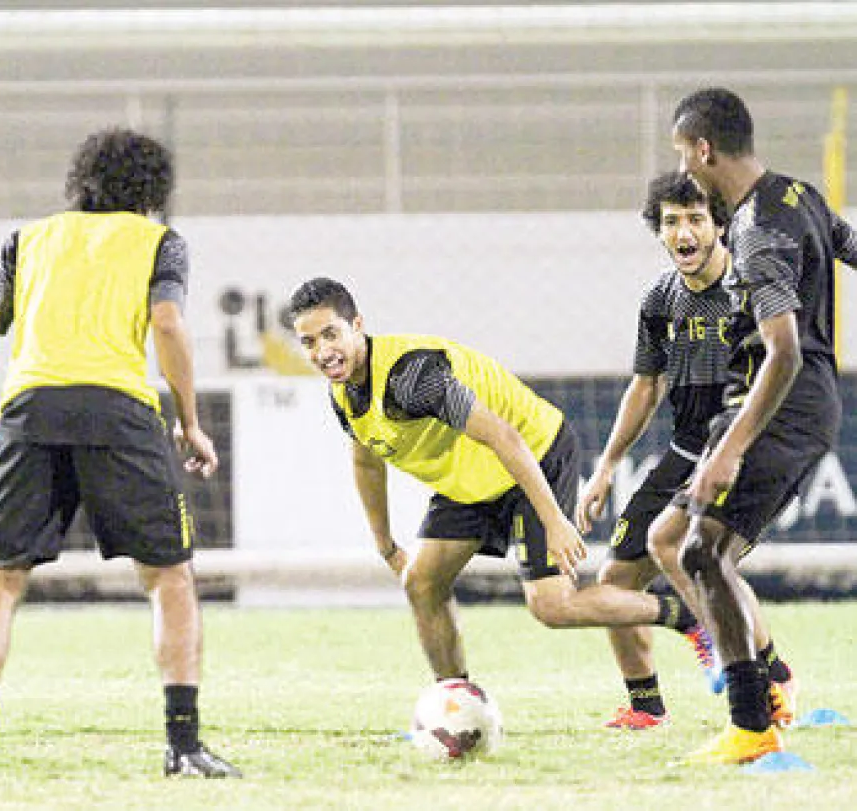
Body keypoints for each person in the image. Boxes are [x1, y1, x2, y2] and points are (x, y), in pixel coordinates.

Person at [0, 128, 239, 780]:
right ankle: (183, 745)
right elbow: (167, 323)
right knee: (169, 578)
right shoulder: (161, 243)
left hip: (30, 410)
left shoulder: (28, 239)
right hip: (119, 412)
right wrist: (189, 420)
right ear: (154, 190)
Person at [288, 278, 706, 692]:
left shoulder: (413, 377)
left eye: (331, 334)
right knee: (420, 582)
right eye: (309, 342)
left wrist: (555, 521)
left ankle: (689, 615)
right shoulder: (343, 392)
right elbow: (366, 459)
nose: (323, 352)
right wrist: (385, 545)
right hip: (471, 481)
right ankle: (454, 704)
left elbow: (504, 436)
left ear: (357, 325)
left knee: (552, 605)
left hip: (535, 453)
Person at [654, 87, 857, 764]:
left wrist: (728, 451)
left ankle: (753, 721)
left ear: (704, 150)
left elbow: (784, 349)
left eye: (684, 155)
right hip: (800, 402)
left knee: (700, 553)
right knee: (690, 546)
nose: (684, 168)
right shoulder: (799, 194)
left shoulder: (754, 229)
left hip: (783, 403)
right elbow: (849, 248)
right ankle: (765, 695)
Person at [575, 172, 797, 730]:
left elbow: (789, 362)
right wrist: (605, 467)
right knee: (614, 583)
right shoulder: (660, 299)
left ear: (720, 226)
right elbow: (645, 387)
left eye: (696, 219)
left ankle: (768, 676)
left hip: (740, 446)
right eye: (672, 221)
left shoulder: (751, 290)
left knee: (690, 552)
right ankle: (645, 705)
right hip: (684, 447)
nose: (683, 231)